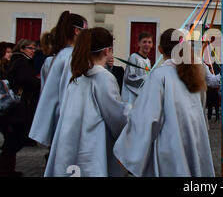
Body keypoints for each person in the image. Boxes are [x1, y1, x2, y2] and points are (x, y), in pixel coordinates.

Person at [114, 28, 215, 177]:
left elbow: (148, 118)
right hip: (193, 140)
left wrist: (129, 151)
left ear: (160, 49)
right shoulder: (193, 76)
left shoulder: (160, 75)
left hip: (170, 144)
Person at [45, 27, 128, 177]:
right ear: (107, 51)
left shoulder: (78, 76)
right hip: (91, 146)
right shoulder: (103, 77)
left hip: (71, 143)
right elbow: (116, 118)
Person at [29, 11, 87, 147]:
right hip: (67, 123)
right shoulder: (70, 58)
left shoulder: (61, 56)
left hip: (59, 120)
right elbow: (70, 95)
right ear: (77, 31)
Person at [0, 39, 40, 176]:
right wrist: (38, 82)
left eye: (35, 49)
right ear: (22, 48)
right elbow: (26, 80)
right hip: (16, 107)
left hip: (13, 107)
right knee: (16, 138)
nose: (33, 51)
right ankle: (5, 168)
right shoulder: (22, 62)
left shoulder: (17, 61)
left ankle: (8, 168)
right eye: (31, 48)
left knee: (12, 139)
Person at [121, 32, 153, 104]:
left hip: (141, 98)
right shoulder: (134, 57)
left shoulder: (148, 61)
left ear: (152, 44)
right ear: (139, 43)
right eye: (144, 42)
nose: (147, 44)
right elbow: (129, 78)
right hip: (131, 99)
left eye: (149, 42)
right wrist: (147, 79)